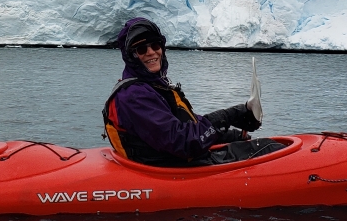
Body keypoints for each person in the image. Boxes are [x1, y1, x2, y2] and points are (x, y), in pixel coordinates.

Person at [103, 17, 284, 166]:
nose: (151, 52)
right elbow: (183, 142)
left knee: (266, 145)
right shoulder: (134, 96)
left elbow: (186, 125)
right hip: (174, 169)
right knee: (270, 150)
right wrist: (228, 116)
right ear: (131, 56)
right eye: (141, 49)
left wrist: (229, 134)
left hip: (178, 160)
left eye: (155, 45)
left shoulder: (152, 86)